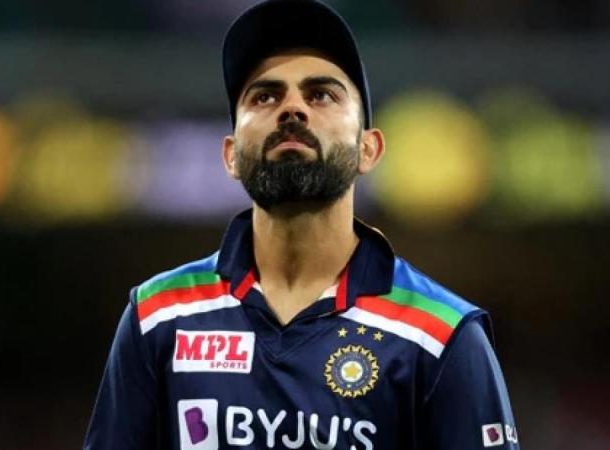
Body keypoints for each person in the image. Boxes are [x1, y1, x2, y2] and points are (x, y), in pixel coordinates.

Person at [84, 0, 518, 449]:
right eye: (265, 96)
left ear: (368, 149)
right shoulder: (157, 316)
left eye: (321, 95)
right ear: (230, 155)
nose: (292, 108)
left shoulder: (441, 336)